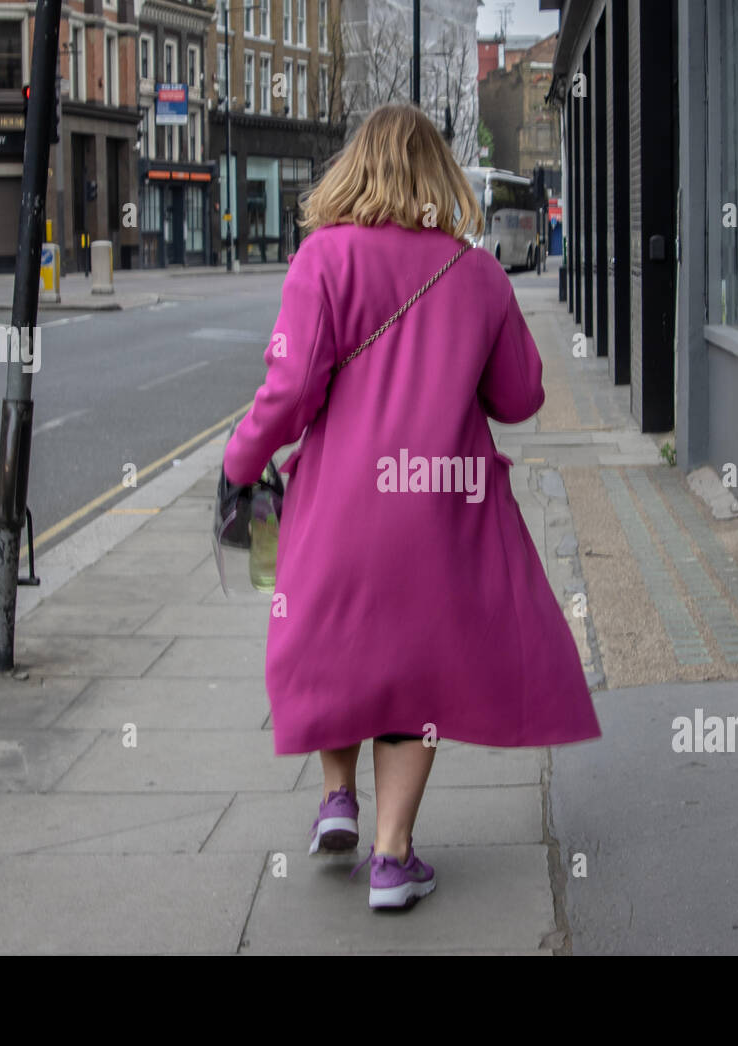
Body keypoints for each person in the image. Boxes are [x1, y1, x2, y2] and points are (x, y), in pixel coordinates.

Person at [220, 103, 601, 912]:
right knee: (415, 672)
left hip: (338, 498)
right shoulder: (478, 272)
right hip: (439, 506)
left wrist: (241, 461)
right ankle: (391, 860)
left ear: (355, 168)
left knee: (330, 645)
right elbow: (521, 395)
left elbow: (289, 390)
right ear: (439, 178)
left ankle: (335, 799)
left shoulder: (322, 258)